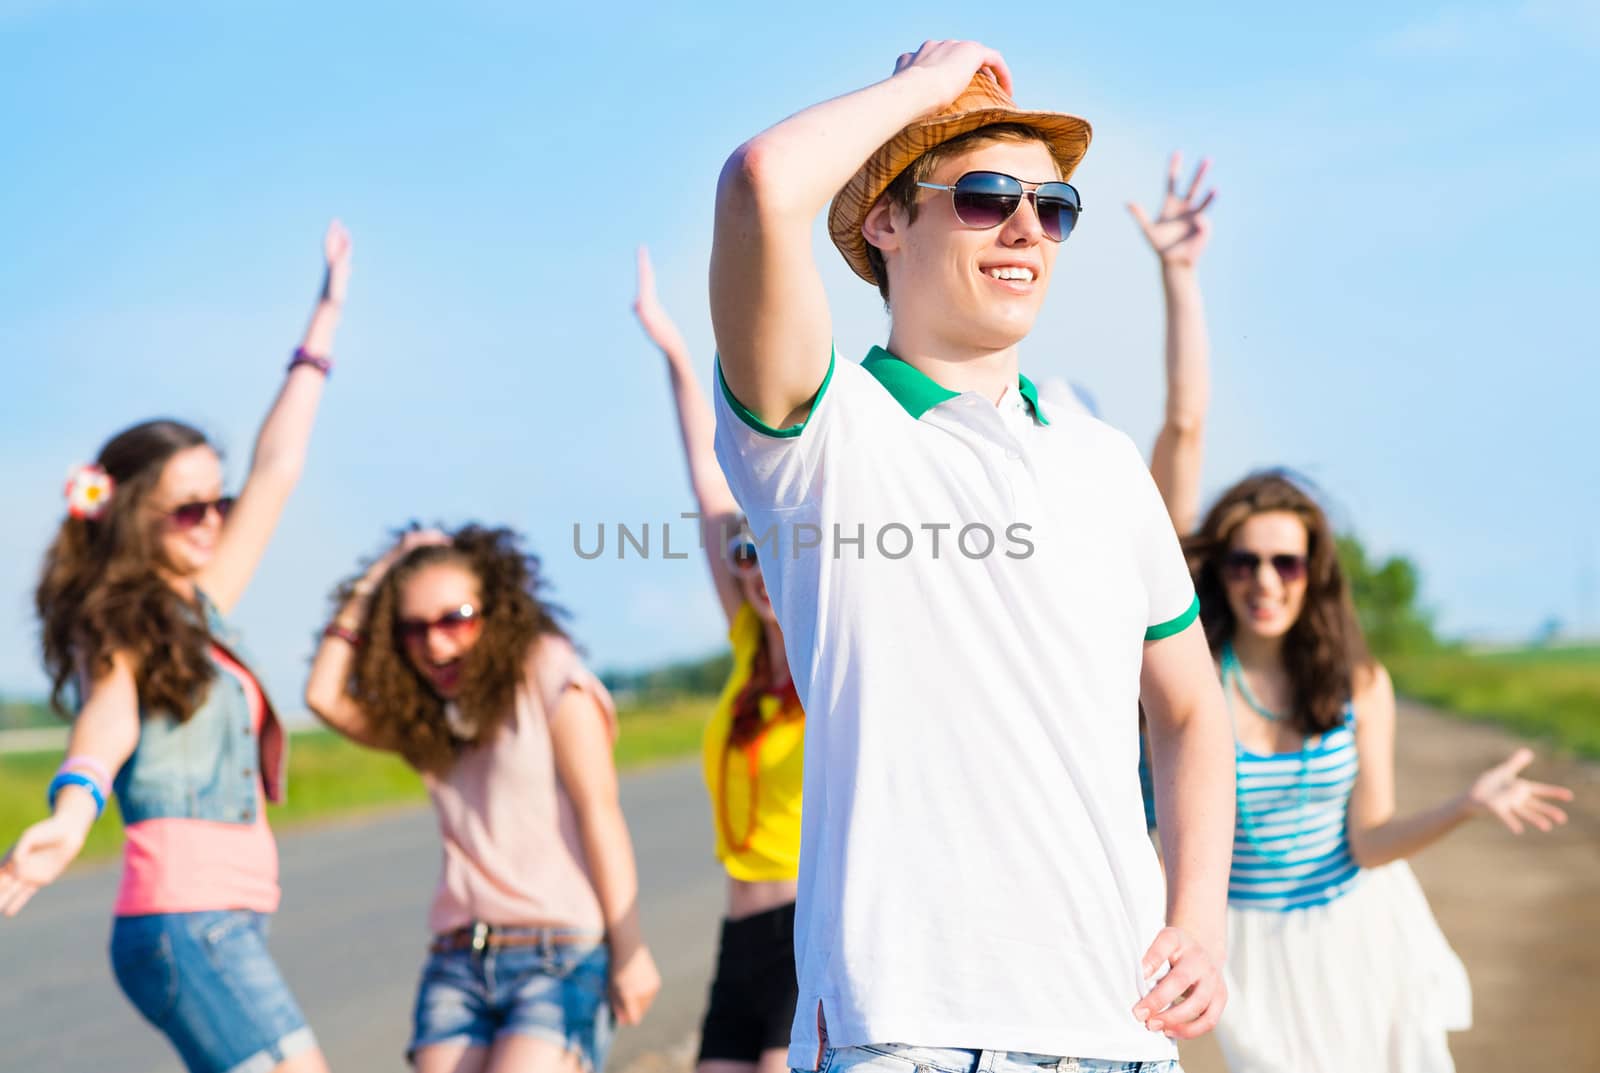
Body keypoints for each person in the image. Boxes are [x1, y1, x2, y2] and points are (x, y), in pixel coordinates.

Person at [708, 39, 1237, 1073]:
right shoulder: (825, 434)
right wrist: (922, 89)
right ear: (886, 219)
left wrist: (1200, 919)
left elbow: (1185, 707)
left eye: (1054, 208)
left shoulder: (1101, 459)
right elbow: (762, 183)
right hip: (902, 1027)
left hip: (1116, 1028)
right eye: (987, 195)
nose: (1028, 229)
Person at [0, 220, 353, 1073]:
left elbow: (277, 467)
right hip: (185, 920)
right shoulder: (121, 619)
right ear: (133, 517)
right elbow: (108, 718)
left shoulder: (202, 603)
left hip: (223, 916)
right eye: (188, 509)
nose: (213, 522)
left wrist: (325, 320)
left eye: (215, 503)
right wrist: (73, 806)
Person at [1181, 471, 1574, 1071]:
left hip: (1359, 929)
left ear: (1314, 574)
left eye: (1286, 563)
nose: (1264, 581)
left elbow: (1369, 842)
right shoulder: (1189, 686)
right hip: (1247, 949)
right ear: (1221, 571)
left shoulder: (1359, 685)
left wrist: (1467, 804)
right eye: (1244, 562)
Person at [304, 525, 660, 1073]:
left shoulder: (548, 672)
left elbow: (599, 813)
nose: (436, 645)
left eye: (455, 619)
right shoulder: (427, 721)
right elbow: (323, 696)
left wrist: (629, 952)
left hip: (559, 951)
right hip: (457, 960)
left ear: (495, 613)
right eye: (413, 629)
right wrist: (377, 579)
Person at [633, 246, 803, 1073]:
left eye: (773, 548)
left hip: (811, 931)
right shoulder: (746, 649)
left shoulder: (831, 655)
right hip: (740, 934)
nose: (755, 564)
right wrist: (674, 351)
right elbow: (709, 482)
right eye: (745, 550)